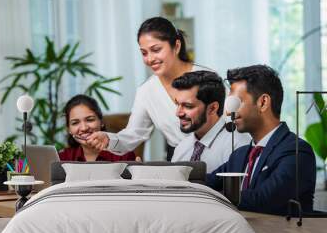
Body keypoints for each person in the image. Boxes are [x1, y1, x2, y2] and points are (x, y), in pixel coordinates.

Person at [85, 16, 212, 160]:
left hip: (218, 158)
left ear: (176, 46)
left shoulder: (207, 79)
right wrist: (108, 140)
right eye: (144, 53)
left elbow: (230, 124)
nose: (150, 59)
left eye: (156, 50)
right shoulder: (147, 91)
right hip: (180, 164)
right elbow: (133, 135)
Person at [207, 65, 316, 215]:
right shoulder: (239, 155)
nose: (228, 112)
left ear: (263, 102)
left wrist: (210, 196)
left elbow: (264, 200)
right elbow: (207, 182)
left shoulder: (297, 152)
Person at [171, 71, 250, 172]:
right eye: (177, 104)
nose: (178, 113)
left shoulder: (238, 145)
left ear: (212, 108)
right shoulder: (181, 148)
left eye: (188, 106)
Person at [58, 94, 136, 162]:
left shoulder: (124, 156)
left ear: (101, 122)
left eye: (90, 120)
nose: (84, 128)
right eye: (75, 123)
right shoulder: (62, 158)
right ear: (69, 129)